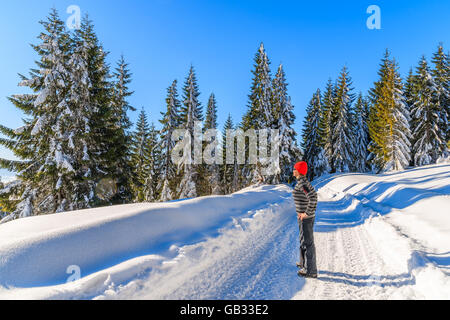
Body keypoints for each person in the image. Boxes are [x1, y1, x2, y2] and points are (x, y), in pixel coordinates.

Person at [292, 161, 318, 278]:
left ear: (299, 171)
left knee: (308, 243)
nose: (293, 170)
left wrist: (306, 213)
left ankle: (311, 271)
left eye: (295, 168)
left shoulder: (303, 183)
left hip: (306, 218)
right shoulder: (301, 182)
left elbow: (313, 197)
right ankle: (303, 263)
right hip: (302, 217)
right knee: (303, 240)